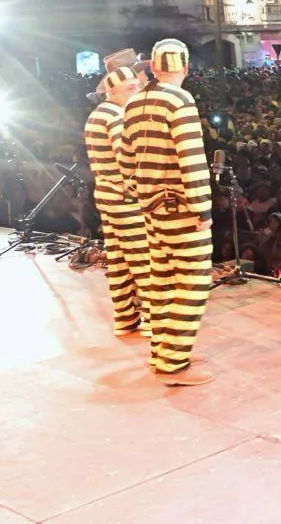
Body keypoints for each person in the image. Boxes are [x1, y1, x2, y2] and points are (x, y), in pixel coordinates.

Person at [120, 39, 215, 386]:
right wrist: (202, 208)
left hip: (150, 209)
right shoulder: (180, 100)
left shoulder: (133, 102)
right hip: (179, 208)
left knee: (161, 282)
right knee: (193, 282)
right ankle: (174, 363)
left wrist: (141, 193)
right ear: (186, 68)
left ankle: (162, 350)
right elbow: (191, 160)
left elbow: (125, 159)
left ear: (153, 68)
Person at [84, 62, 150, 336]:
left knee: (120, 259)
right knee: (142, 258)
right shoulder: (117, 117)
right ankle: (150, 319)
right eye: (131, 88)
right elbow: (127, 159)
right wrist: (139, 190)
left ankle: (124, 317)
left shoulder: (97, 115)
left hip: (106, 195)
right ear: (113, 92)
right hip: (123, 198)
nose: (137, 91)